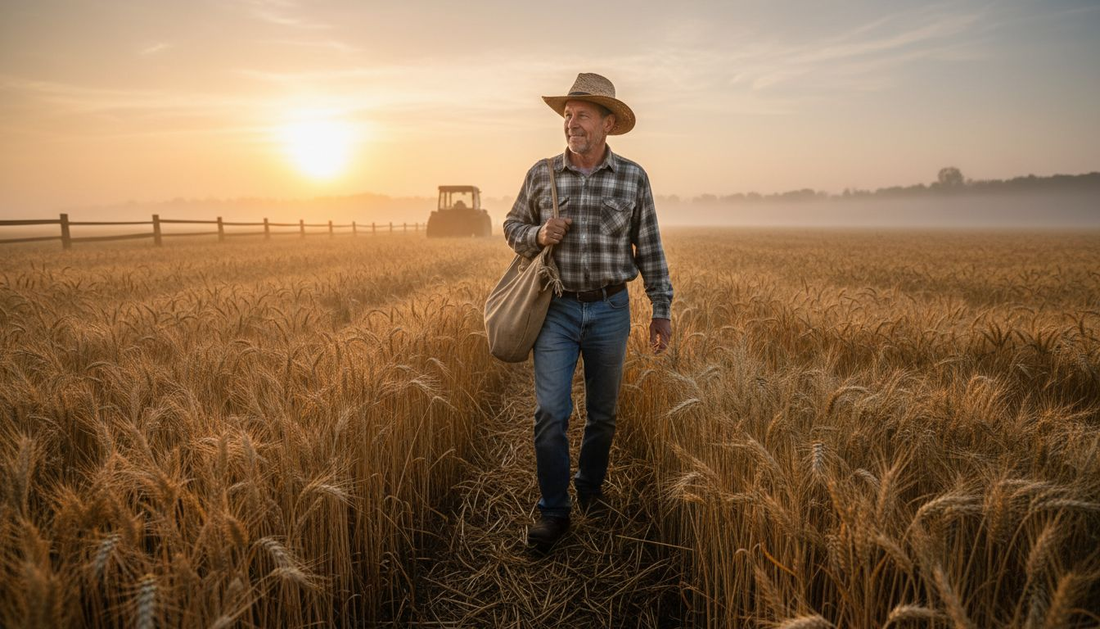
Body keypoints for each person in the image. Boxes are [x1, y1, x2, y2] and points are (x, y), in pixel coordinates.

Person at [502, 72, 673, 550]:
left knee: (603, 415)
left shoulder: (634, 177)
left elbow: (651, 248)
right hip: (554, 309)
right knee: (550, 414)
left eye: (581, 115)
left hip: (611, 308)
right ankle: (554, 512)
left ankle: (590, 487)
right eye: (567, 115)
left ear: (608, 124)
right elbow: (512, 224)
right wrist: (537, 235)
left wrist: (661, 307)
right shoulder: (542, 173)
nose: (570, 122)